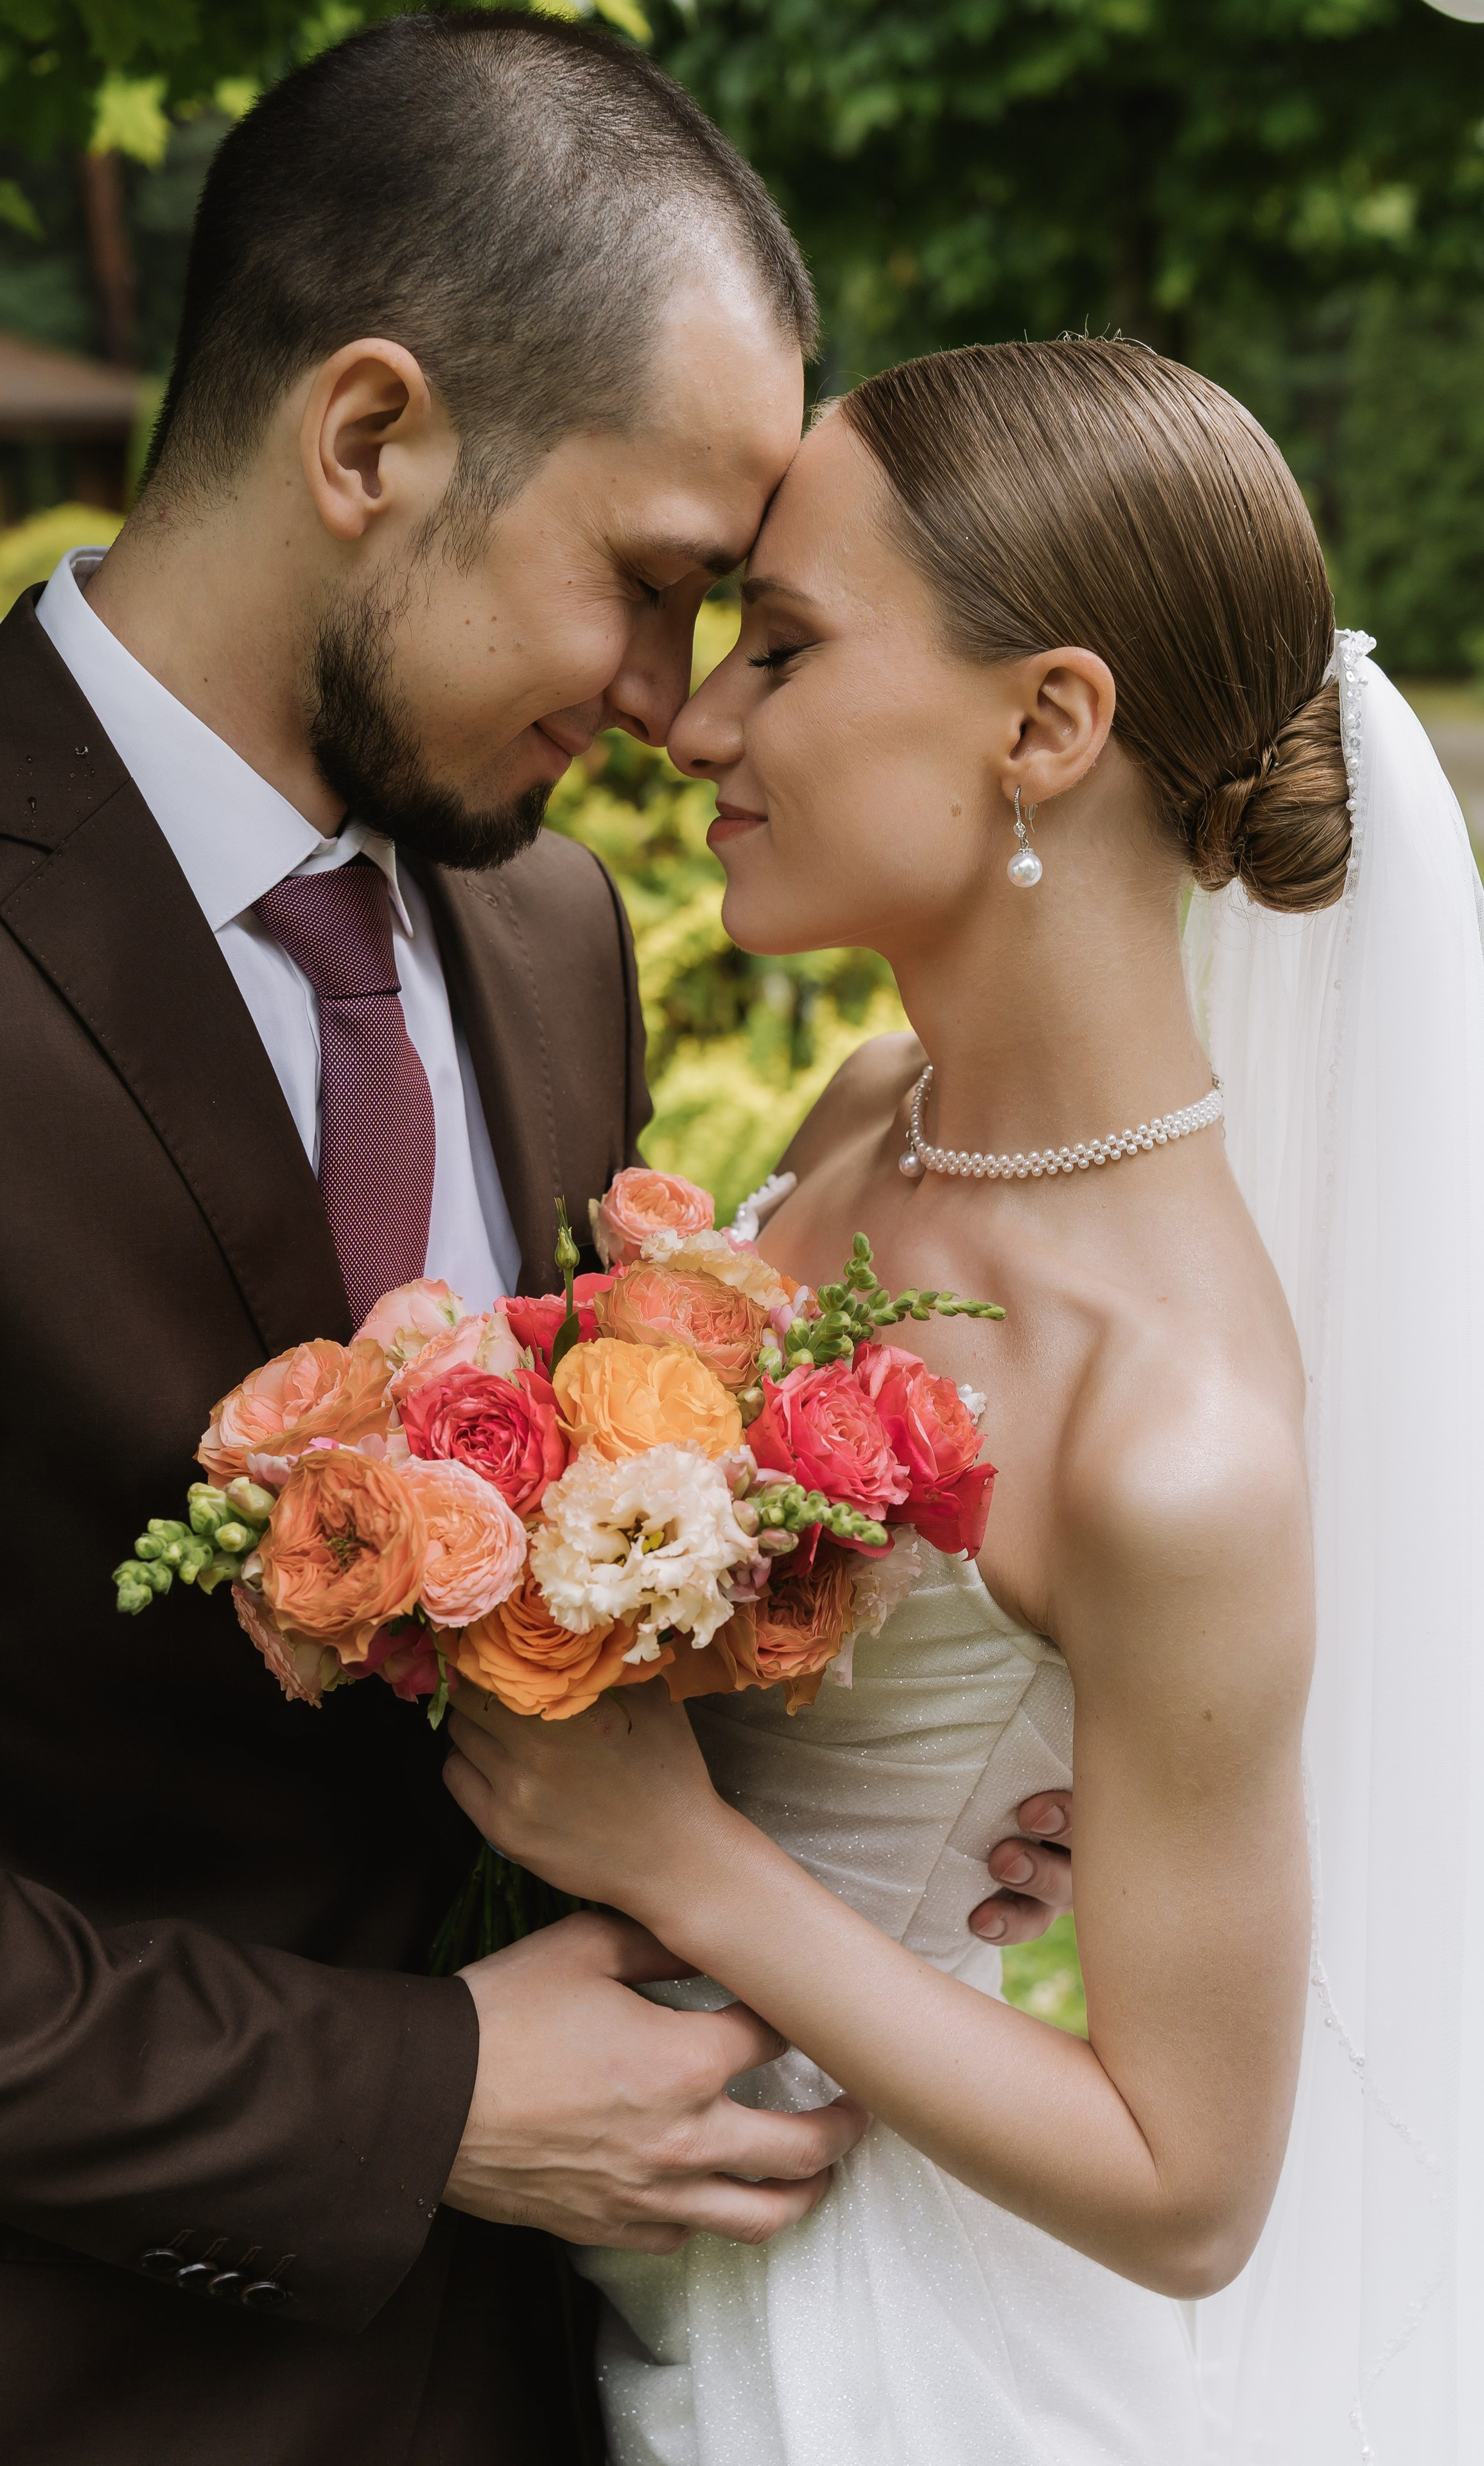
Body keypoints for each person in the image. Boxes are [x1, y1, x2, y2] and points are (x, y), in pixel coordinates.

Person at [0, 17, 873, 2463]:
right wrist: (411, 2102)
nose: (664, 704)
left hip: (547, 2382)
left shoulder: (549, 937)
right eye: (649, 587)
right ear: (372, 437)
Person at [447, 337, 1484, 2464]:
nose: (700, 719)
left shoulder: (1169, 1425)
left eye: (787, 647)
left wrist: (694, 1866)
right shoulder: (864, 1112)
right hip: (574, 2215)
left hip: (856, 2339)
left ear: (1049, 724)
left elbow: (1192, 2191)